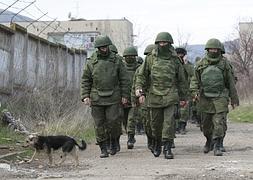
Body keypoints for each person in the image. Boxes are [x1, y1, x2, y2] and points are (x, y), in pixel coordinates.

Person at [135, 32, 187, 159]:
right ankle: (157, 143)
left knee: (169, 123)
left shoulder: (175, 60)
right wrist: (139, 90)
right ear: (157, 44)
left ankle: (168, 148)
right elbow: (142, 75)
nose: (162, 44)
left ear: (169, 44)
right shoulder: (150, 58)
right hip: (154, 96)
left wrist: (183, 97)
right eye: (160, 43)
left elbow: (181, 79)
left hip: (171, 95)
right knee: (155, 124)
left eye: (165, 43)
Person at [81, 35, 129, 158]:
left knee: (113, 122)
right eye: (101, 47)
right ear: (97, 48)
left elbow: (124, 79)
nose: (103, 49)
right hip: (96, 97)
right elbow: (86, 80)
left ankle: (113, 142)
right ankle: (103, 147)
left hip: (113, 96)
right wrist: (85, 95)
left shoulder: (117, 60)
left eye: (105, 47)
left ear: (108, 46)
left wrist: (125, 95)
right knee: (99, 124)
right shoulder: (92, 61)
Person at [190, 38, 239, 156]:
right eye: (211, 49)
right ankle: (209, 140)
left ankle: (218, 144)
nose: (213, 50)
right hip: (205, 97)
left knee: (219, 123)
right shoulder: (201, 64)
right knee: (206, 125)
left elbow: (231, 82)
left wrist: (234, 99)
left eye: (215, 49)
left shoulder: (224, 64)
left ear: (220, 50)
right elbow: (195, 80)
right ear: (207, 50)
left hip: (220, 96)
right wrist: (194, 92)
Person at [122, 46, 140, 149]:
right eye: (128, 56)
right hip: (124, 97)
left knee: (131, 119)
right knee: (125, 120)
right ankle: (130, 135)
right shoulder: (121, 67)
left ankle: (130, 137)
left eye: (132, 56)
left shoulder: (139, 68)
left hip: (135, 98)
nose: (130, 58)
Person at [175, 47, 194, 134]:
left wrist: (185, 64)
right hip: (174, 89)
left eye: (181, 55)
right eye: (178, 55)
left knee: (185, 109)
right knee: (174, 108)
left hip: (185, 89)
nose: (180, 57)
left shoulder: (188, 64)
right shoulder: (173, 63)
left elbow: (192, 74)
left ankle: (182, 126)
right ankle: (175, 126)